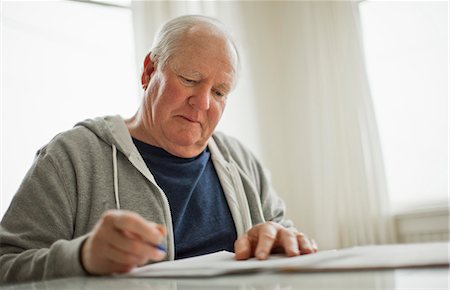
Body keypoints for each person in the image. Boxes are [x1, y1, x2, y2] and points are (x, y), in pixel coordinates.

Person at [0, 15, 317, 283]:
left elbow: (285, 238)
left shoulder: (242, 161)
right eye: (190, 80)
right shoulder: (70, 158)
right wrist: (81, 258)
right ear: (149, 71)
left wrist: (281, 244)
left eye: (220, 92)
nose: (203, 103)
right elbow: (6, 266)